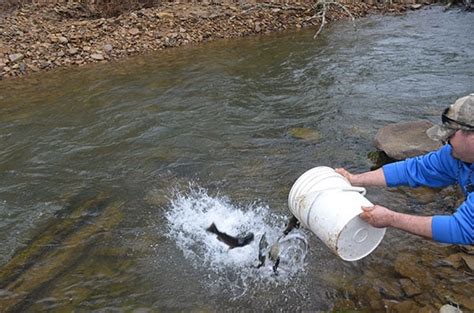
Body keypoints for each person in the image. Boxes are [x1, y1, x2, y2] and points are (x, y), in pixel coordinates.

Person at [335, 93, 474, 245]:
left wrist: (391, 219)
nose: (444, 141)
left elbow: (463, 229)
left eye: (450, 135)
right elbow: (414, 170)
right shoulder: (456, 156)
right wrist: (355, 180)